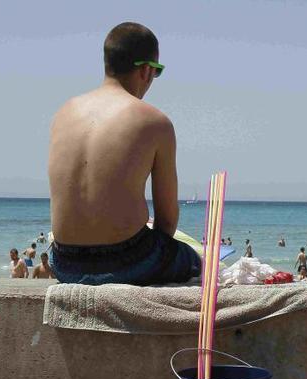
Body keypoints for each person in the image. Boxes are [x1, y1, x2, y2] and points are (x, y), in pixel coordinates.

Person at [47, 22, 200, 285]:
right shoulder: (154, 121)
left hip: (64, 262)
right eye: (157, 72)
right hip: (130, 261)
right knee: (193, 259)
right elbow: (167, 221)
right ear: (146, 70)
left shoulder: (64, 112)